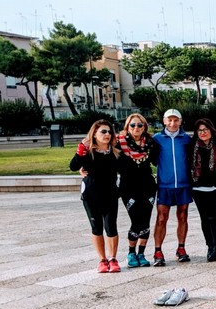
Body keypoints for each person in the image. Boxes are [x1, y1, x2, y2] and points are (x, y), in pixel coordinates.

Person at [70, 120, 121, 273]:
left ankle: (113, 258)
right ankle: (102, 260)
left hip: (111, 194)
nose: (107, 134)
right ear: (94, 134)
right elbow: (73, 166)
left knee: (111, 226)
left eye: (109, 132)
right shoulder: (87, 151)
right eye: (103, 132)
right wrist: (80, 151)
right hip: (91, 195)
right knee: (96, 227)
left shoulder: (115, 150)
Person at [152, 109, 193, 266]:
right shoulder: (157, 139)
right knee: (162, 218)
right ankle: (157, 251)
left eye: (176, 120)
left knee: (183, 216)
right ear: (164, 121)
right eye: (169, 120)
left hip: (183, 184)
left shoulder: (186, 139)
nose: (172, 123)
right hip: (164, 185)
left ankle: (181, 248)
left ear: (181, 121)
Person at [116, 114, 156, 268]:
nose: (136, 128)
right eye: (132, 125)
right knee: (136, 220)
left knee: (145, 220)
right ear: (127, 126)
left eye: (140, 125)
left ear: (144, 127)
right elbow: (102, 154)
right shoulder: (119, 143)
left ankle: (141, 253)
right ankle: (131, 252)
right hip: (128, 188)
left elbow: (159, 159)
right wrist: (84, 167)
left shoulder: (151, 143)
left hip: (148, 187)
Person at [190, 118, 216, 262]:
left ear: (211, 130)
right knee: (204, 218)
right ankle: (210, 246)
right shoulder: (192, 147)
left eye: (205, 130)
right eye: (200, 130)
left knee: (214, 217)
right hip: (198, 187)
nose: (203, 133)